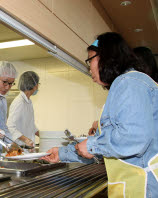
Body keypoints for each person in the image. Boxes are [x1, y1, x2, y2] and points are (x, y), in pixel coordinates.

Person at [42, 32, 158, 197]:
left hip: (144, 188)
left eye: (90, 60)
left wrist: (92, 145)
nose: (89, 68)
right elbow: (107, 141)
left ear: (105, 56)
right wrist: (61, 154)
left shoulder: (130, 83)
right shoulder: (126, 85)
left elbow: (134, 138)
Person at [7, 71, 40, 149]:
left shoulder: (28, 102)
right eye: (38, 84)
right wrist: (26, 140)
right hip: (20, 147)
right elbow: (10, 126)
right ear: (34, 85)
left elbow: (30, 124)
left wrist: (44, 135)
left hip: (28, 148)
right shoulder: (19, 102)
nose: (38, 86)